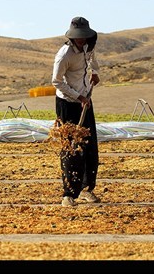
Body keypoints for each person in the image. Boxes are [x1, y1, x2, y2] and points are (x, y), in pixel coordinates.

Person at [51, 16, 101, 207]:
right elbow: (56, 81)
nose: (81, 41)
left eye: (84, 37)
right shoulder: (64, 55)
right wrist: (77, 97)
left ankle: (86, 189)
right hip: (68, 103)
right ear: (72, 37)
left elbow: (93, 60)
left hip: (85, 99)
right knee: (71, 148)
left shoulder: (89, 46)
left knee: (89, 144)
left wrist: (95, 72)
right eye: (78, 38)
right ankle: (68, 194)